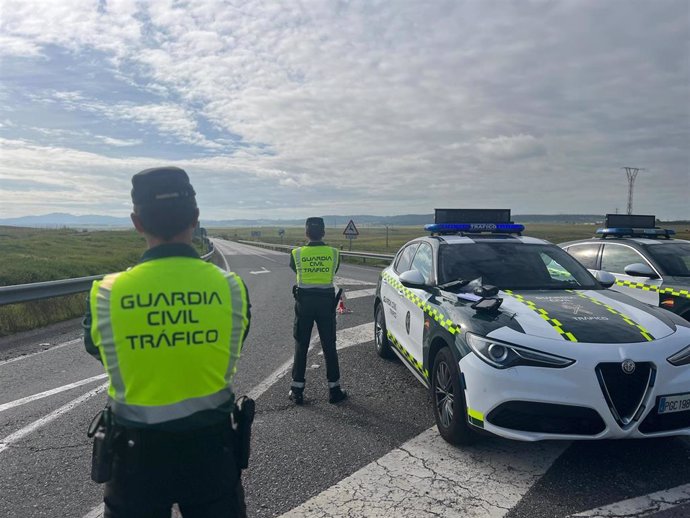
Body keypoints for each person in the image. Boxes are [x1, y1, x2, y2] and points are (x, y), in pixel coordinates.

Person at [83, 166, 251, 517]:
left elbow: (97, 347)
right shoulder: (231, 288)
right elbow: (236, 340)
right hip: (212, 452)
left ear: (137, 222)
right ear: (195, 218)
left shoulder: (106, 294)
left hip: (133, 459)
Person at [288, 217, 348, 405]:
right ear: (323, 232)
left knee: (301, 345)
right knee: (329, 345)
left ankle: (297, 390)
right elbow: (334, 269)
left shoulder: (296, 253)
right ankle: (334, 390)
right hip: (326, 303)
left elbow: (294, 269)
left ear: (306, 233)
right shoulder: (333, 253)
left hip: (304, 302)